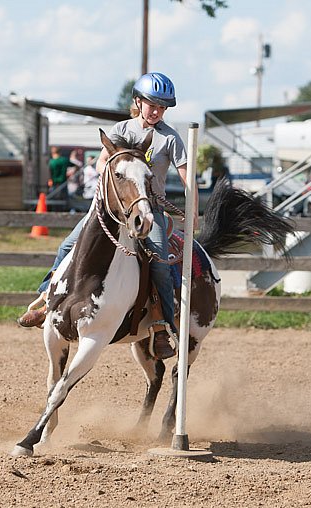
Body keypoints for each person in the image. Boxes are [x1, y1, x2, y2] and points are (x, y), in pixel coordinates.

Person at [18, 72, 196, 359]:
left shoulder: (170, 138)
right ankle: (45, 300)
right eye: (152, 105)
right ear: (138, 102)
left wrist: (194, 209)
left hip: (150, 211)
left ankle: (162, 324)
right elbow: (102, 162)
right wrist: (119, 179)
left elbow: (188, 178)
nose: (156, 111)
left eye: (162, 107)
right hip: (113, 209)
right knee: (67, 245)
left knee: (161, 263)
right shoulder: (122, 130)